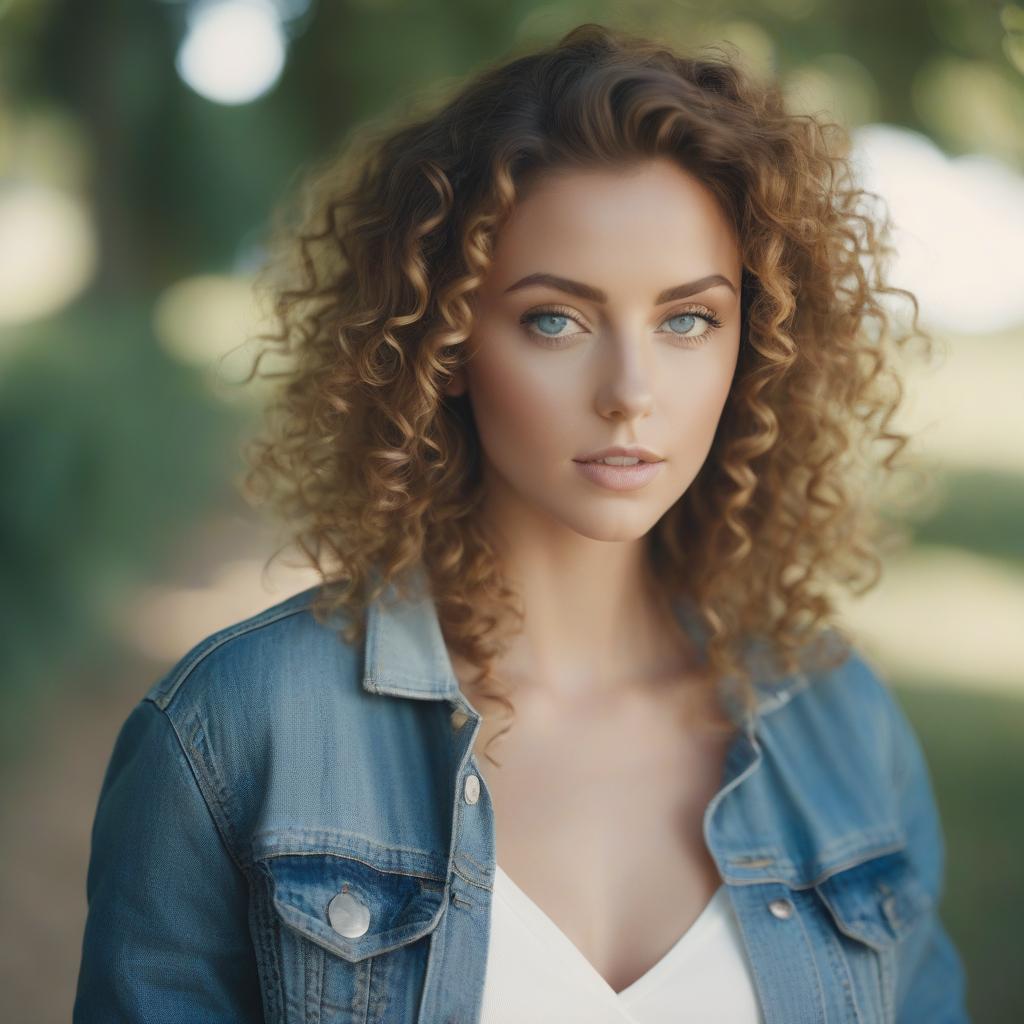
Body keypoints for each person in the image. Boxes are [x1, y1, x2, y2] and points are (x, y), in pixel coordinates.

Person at [73, 21, 970, 1024]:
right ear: (444, 341)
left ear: (751, 343)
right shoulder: (233, 731)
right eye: (556, 319)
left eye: (687, 319)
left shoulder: (841, 720)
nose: (631, 391)